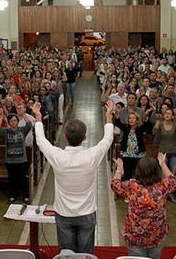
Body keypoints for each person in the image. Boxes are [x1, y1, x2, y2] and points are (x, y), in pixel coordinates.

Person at [33, 101, 115, 254]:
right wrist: (108, 116)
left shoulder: (58, 156)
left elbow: (41, 141)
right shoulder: (91, 156)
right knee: (85, 254)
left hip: (64, 214)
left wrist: (38, 118)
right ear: (85, 137)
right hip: (87, 213)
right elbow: (107, 140)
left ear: (64, 137)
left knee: (67, 254)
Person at [111, 153, 176, 259]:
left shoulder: (132, 186)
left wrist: (119, 169)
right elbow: (173, 181)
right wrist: (162, 164)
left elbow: (115, 184)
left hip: (135, 236)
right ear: (157, 171)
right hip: (157, 235)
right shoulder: (162, 187)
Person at [0, 114, 32, 203]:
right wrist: (1, 117)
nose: (13, 122)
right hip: (10, 160)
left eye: (15, 120)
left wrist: (23, 115)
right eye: (11, 121)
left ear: (18, 122)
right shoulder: (6, 131)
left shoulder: (22, 130)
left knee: (23, 178)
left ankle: (25, 196)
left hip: (22, 159)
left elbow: (29, 125)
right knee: (12, 179)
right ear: (9, 122)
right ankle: (12, 196)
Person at [114, 111, 151, 181]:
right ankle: (127, 189)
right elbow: (118, 123)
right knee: (127, 175)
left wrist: (146, 115)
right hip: (127, 154)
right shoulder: (126, 127)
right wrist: (117, 117)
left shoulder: (140, 128)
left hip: (138, 155)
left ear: (137, 120)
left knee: (139, 174)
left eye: (133, 118)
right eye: (130, 118)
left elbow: (148, 126)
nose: (131, 120)